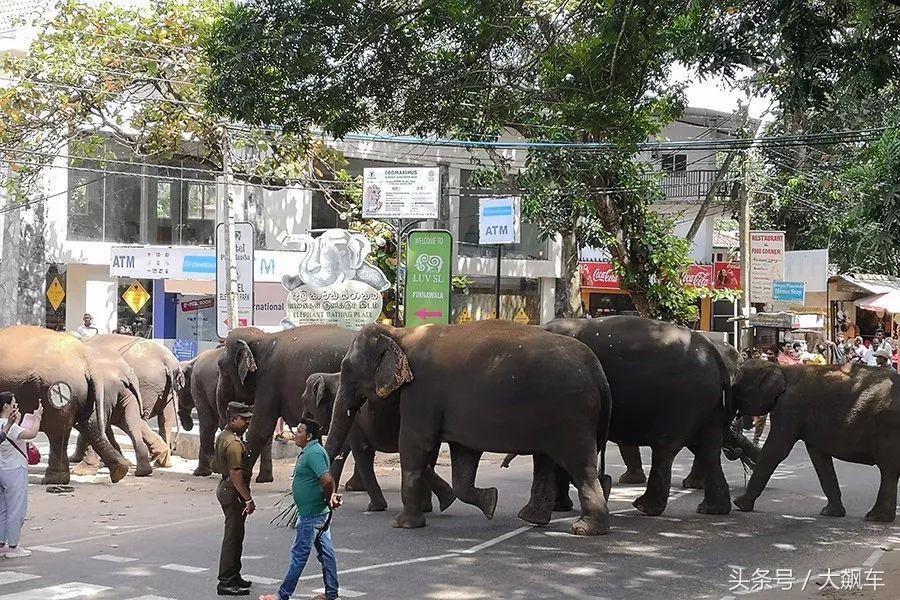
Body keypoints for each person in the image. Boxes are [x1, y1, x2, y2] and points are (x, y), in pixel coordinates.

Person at [260, 418, 341, 600]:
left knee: (299, 555)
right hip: (317, 512)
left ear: (309, 436)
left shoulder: (313, 453)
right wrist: (330, 498)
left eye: (299, 432)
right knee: (326, 554)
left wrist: (329, 497)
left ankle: (283, 595)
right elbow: (327, 479)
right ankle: (331, 592)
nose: (295, 435)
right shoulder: (312, 451)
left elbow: (327, 479)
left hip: (312, 514)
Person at [215, 402, 255, 596]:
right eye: (244, 419)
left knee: (237, 536)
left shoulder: (228, 436)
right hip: (233, 492)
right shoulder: (232, 443)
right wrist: (248, 499)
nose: (248, 422)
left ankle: (234, 575)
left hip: (228, 489)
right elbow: (236, 474)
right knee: (232, 537)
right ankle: (226, 581)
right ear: (232, 419)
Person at [0, 392, 42, 558]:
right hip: (15, 470)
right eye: (13, 404)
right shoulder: (9, 426)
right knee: (16, 509)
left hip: (2, 470)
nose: (15, 406)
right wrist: (37, 418)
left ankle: (2, 543)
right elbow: (31, 434)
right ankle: (13, 546)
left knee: (3, 509)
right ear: (6, 406)